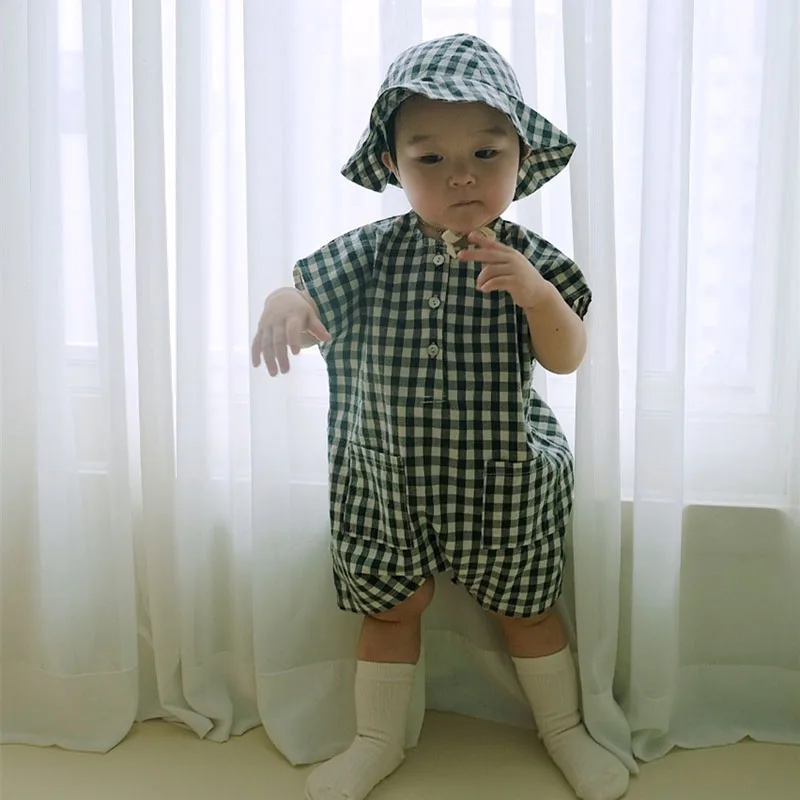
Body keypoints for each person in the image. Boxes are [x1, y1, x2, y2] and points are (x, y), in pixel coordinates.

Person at [251, 33, 630, 800]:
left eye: (487, 153)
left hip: (503, 473)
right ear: (393, 165)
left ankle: (564, 730)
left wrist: (536, 296)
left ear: (522, 156)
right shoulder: (370, 252)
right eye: (431, 158)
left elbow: (566, 358)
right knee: (391, 607)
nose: (462, 174)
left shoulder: (532, 260)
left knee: (527, 607)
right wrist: (283, 302)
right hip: (385, 471)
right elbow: (306, 295)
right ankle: (376, 740)